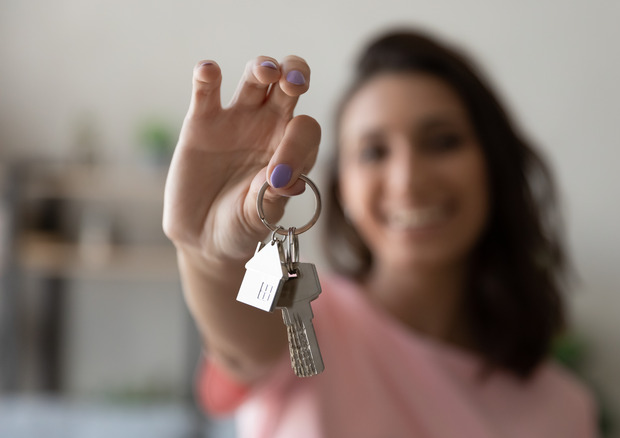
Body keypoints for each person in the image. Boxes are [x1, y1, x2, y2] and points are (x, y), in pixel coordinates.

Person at [163, 29, 597, 437]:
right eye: (373, 152)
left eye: (442, 142)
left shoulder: (565, 409)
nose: (407, 179)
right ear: (342, 190)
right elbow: (241, 348)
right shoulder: (303, 318)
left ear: (493, 166)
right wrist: (207, 253)